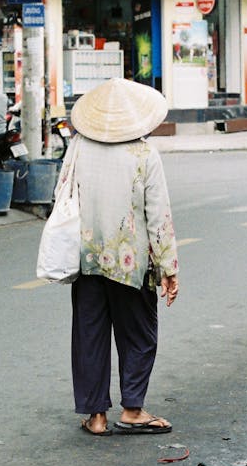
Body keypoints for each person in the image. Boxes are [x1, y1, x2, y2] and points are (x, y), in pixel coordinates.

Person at [62, 78, 180, 437]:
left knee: (90, 335)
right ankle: (132, 409)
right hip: (132, 264)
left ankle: (96, 416)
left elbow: (62, 194)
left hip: (87, 259)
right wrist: (168, 268)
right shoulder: (144, 154)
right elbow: (158, 215)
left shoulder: (78, 147)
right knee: (139, 335)